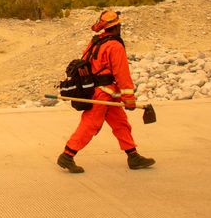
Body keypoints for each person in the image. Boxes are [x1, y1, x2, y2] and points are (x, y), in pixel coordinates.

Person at [56, 10, 155, 174]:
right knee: (90, 124)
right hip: (102, 93)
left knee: (120, 123)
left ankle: (133, 155)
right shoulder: (115, 46)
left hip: (104, 92)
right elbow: (122, 74)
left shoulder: (96, 42)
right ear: (116, 27)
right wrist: (129, 98)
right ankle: (67, 155)